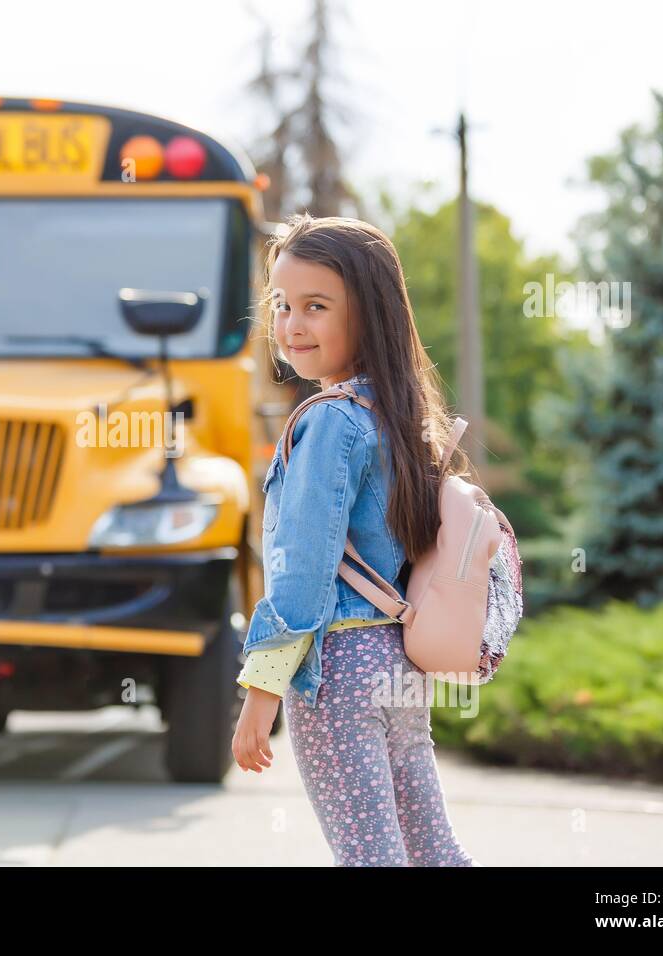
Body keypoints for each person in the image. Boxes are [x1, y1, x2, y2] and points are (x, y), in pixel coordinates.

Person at [231, 213, 480, 867]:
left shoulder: (329, 424)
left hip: (338, 672)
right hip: (397, 666)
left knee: (370, 857)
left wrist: (261, 691)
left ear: (368, 315)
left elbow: (303, 573)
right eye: (283, 305)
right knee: (431, 851)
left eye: (316, 306)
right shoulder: (399, 418)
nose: (292, 325)